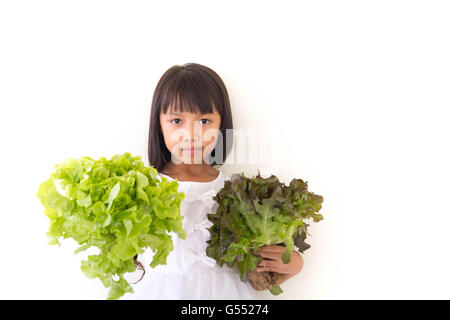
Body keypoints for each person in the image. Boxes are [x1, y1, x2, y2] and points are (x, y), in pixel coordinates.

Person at [122, 63, 303, 299]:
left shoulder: (237, 192)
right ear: (159, 124)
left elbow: (262, 263)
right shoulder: (142, 189)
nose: (191, 134)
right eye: (176, 121)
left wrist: (294, 263)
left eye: (204, 121)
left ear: (221, 124)